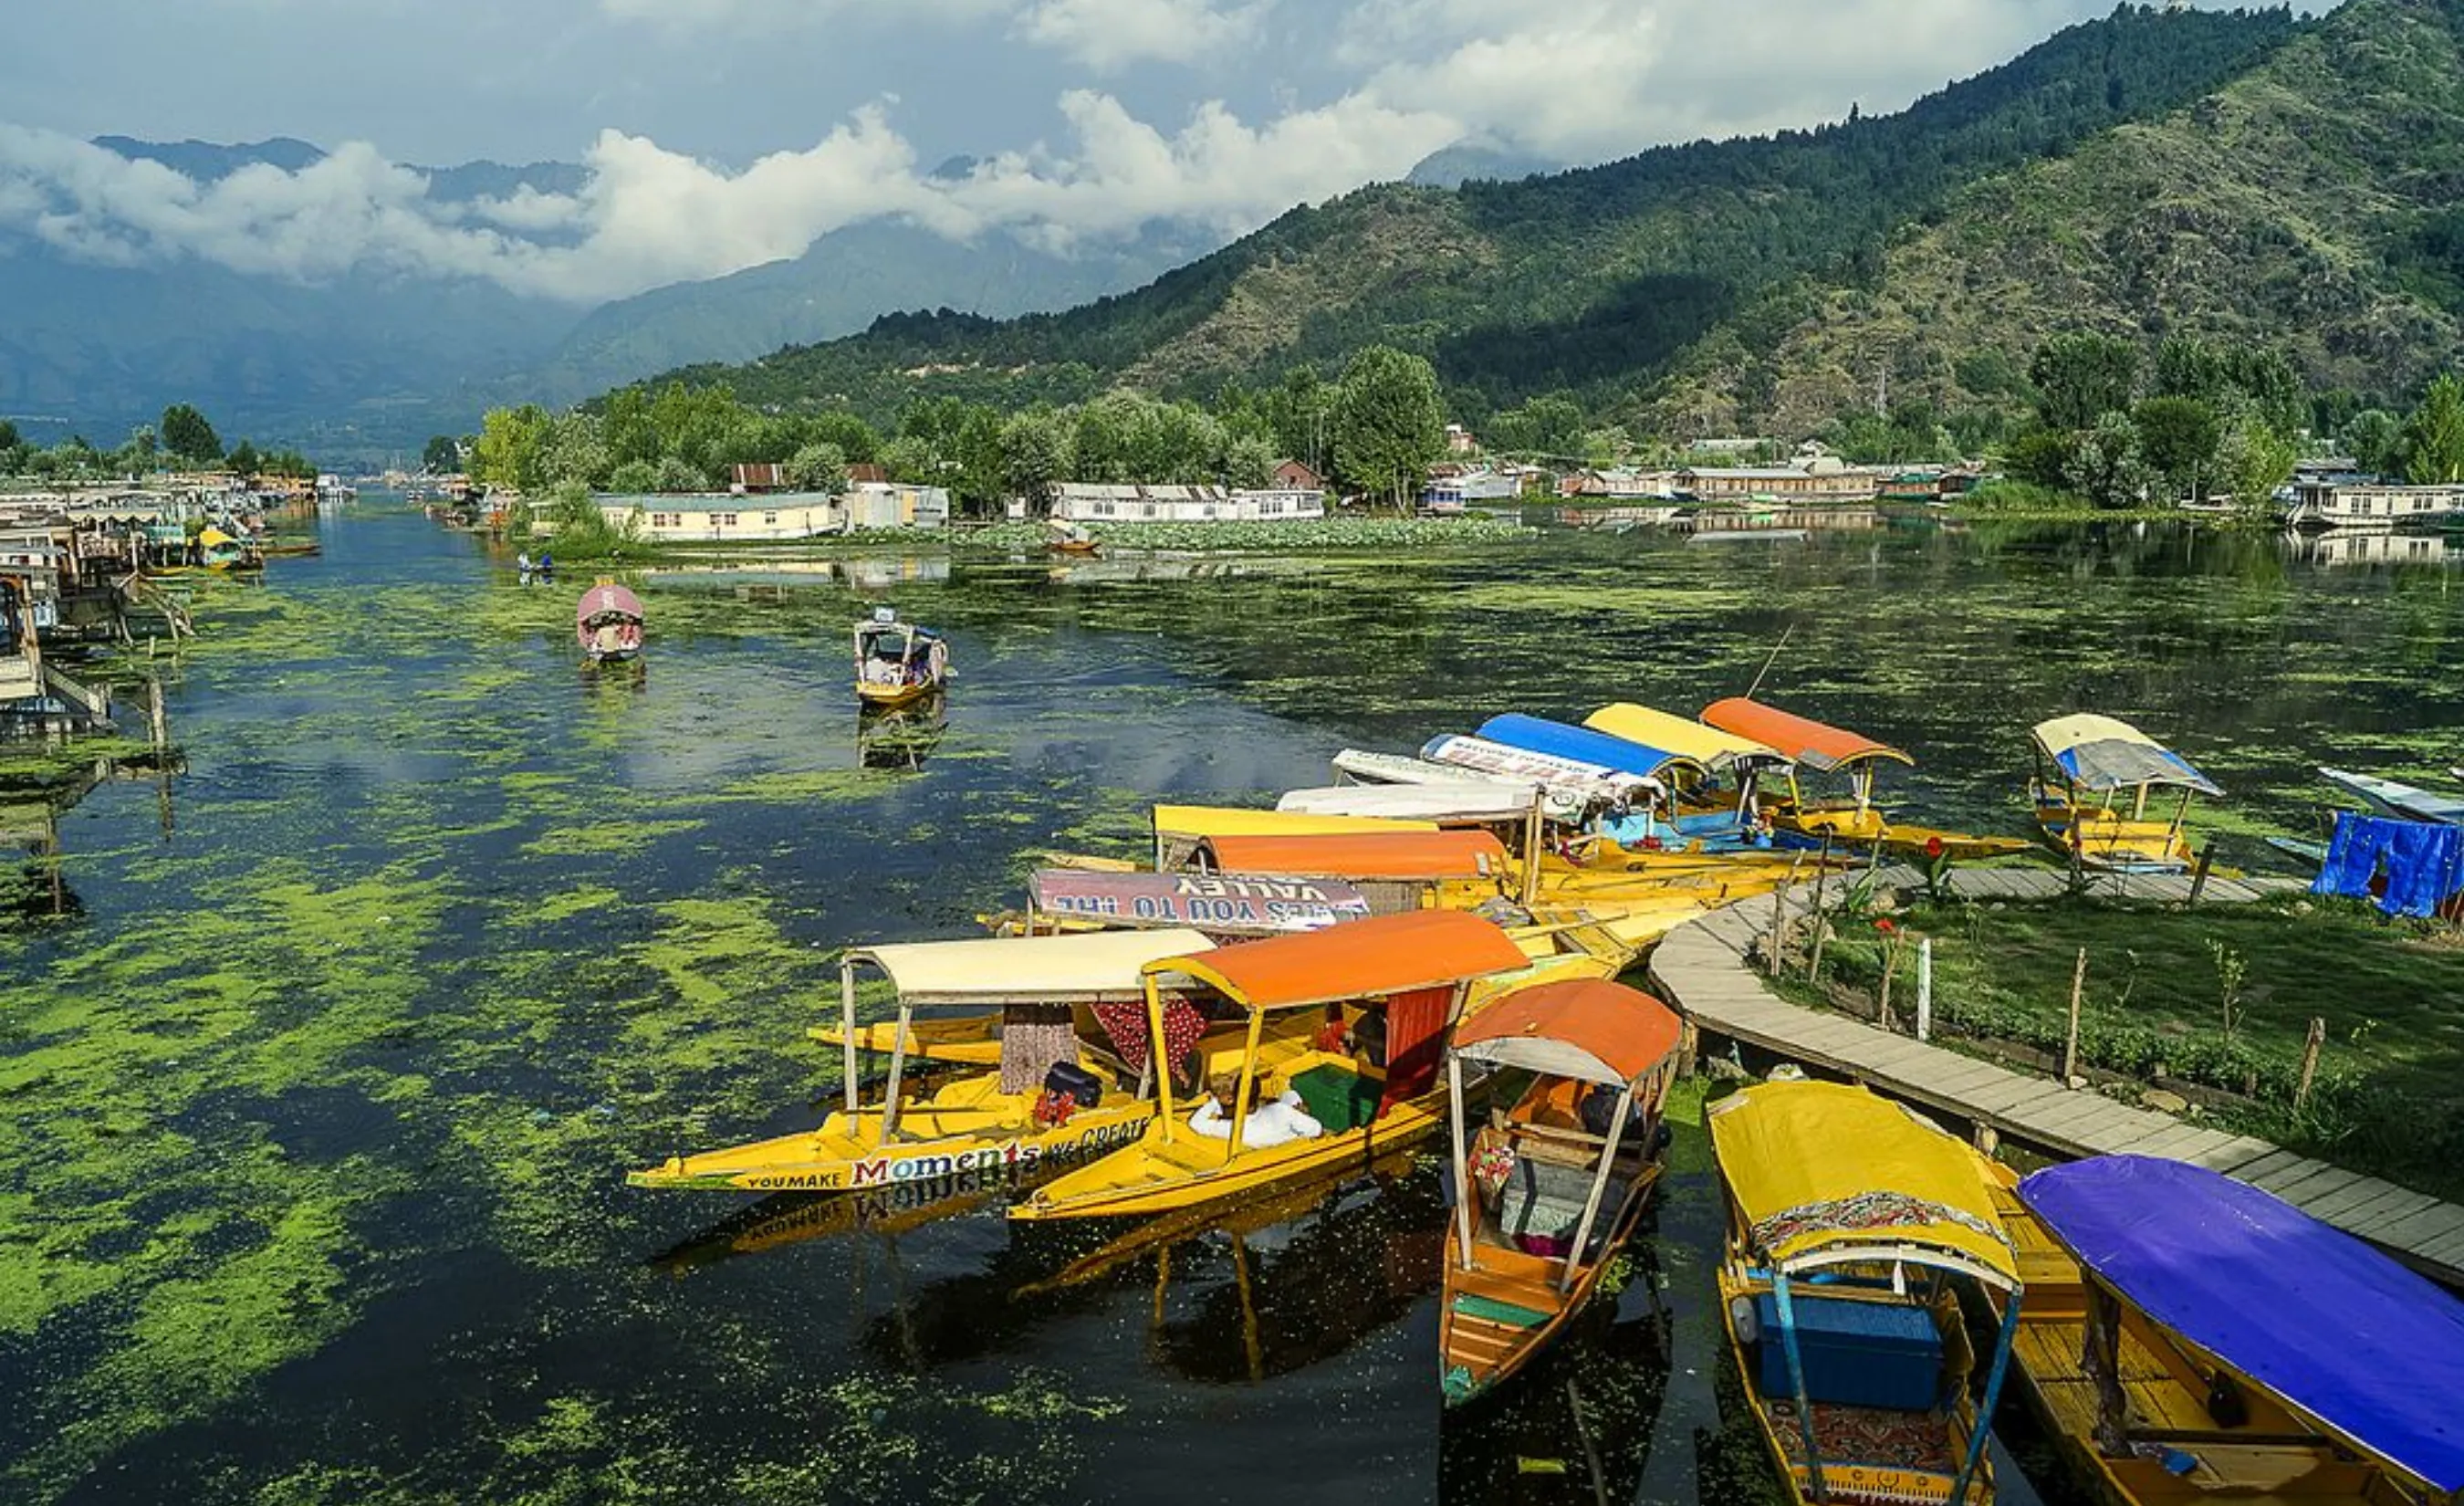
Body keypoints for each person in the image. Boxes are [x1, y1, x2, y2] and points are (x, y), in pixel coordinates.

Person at [1187, 1071, 1323, 1149]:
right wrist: (1300, 1115)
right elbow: (1317, 1130)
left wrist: (1216, 1101)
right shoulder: (1282, 1111)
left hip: (1264, 1144)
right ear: (1258, 1095)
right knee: (1290, 1095)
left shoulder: (1232, 1129)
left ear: (1233, 1097)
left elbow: (1195, 1123)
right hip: (1288, 1140)